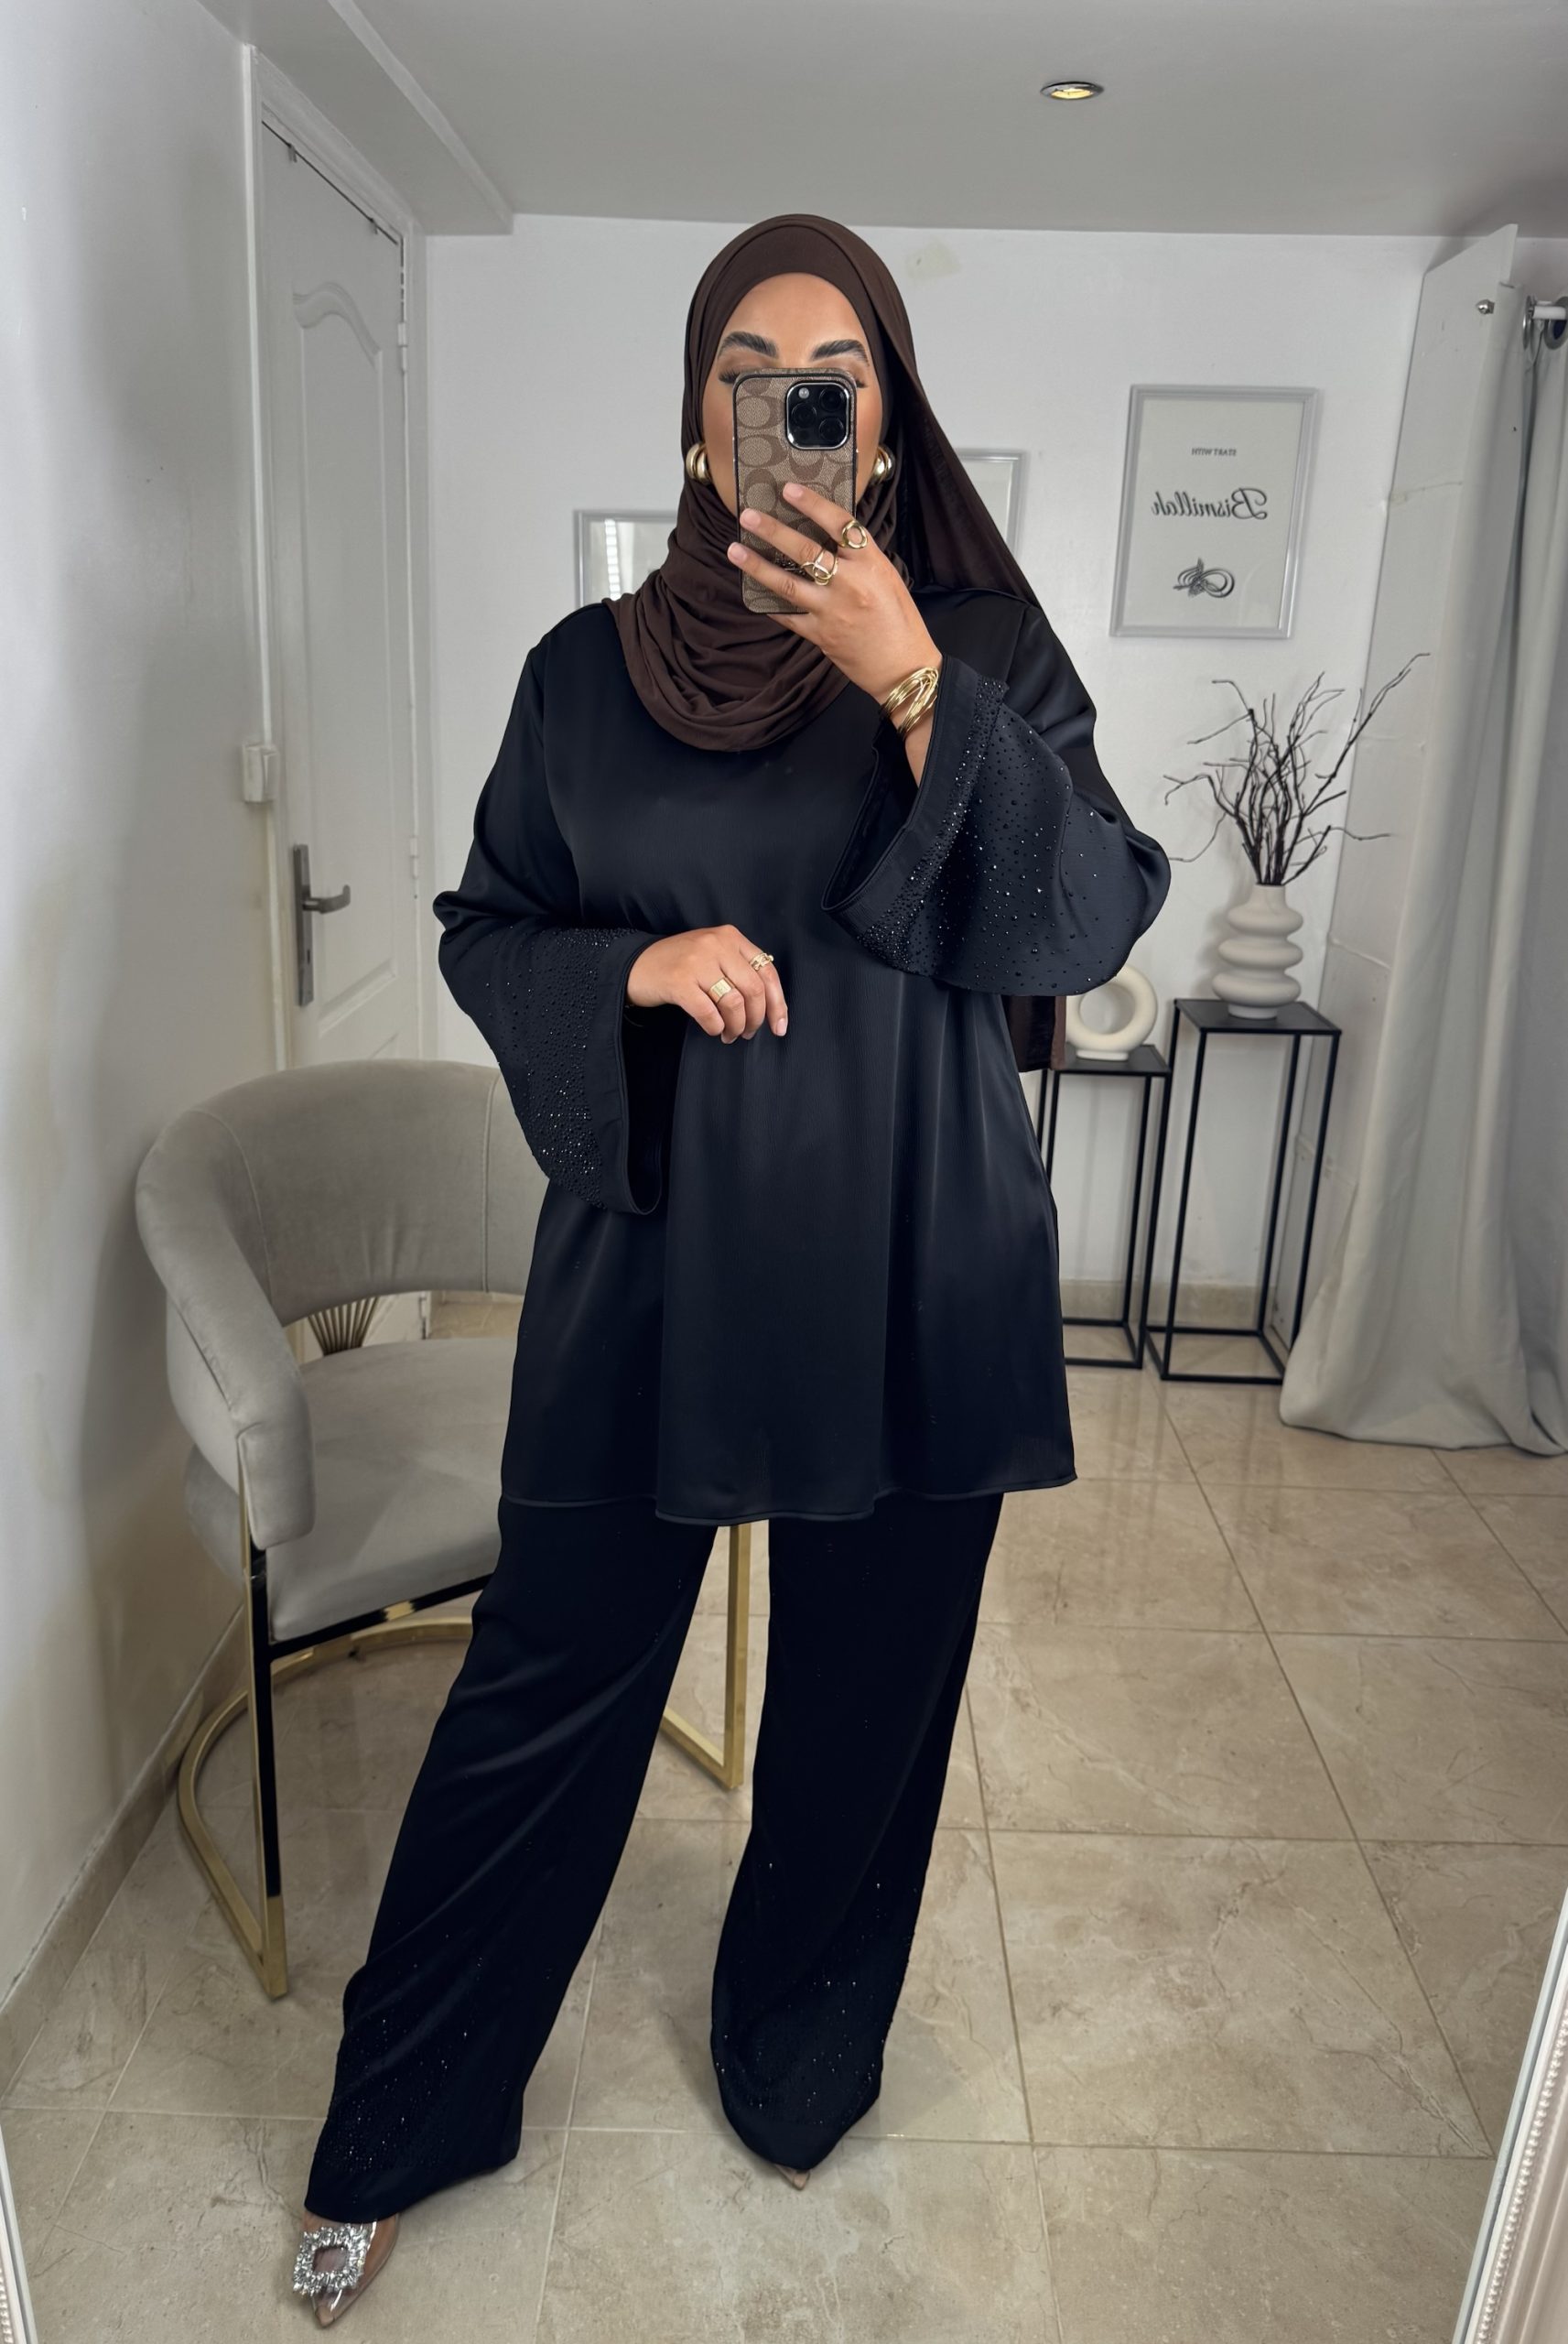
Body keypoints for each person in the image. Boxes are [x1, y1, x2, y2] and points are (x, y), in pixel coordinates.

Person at [289, 212, 1171, 2324]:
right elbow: (488, 925)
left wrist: (909, 682)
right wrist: (632, 967)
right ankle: (399, 2118)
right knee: (542, 1689)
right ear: (695, 419)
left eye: (830, 371)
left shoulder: (971, 640)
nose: (790, 401)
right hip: (652, 1269)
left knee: (865, 1709)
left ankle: (794, 2054)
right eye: (745, 367)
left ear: (882, 422)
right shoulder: (577, 678)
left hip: (909, 1263)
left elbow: (1091, 908)